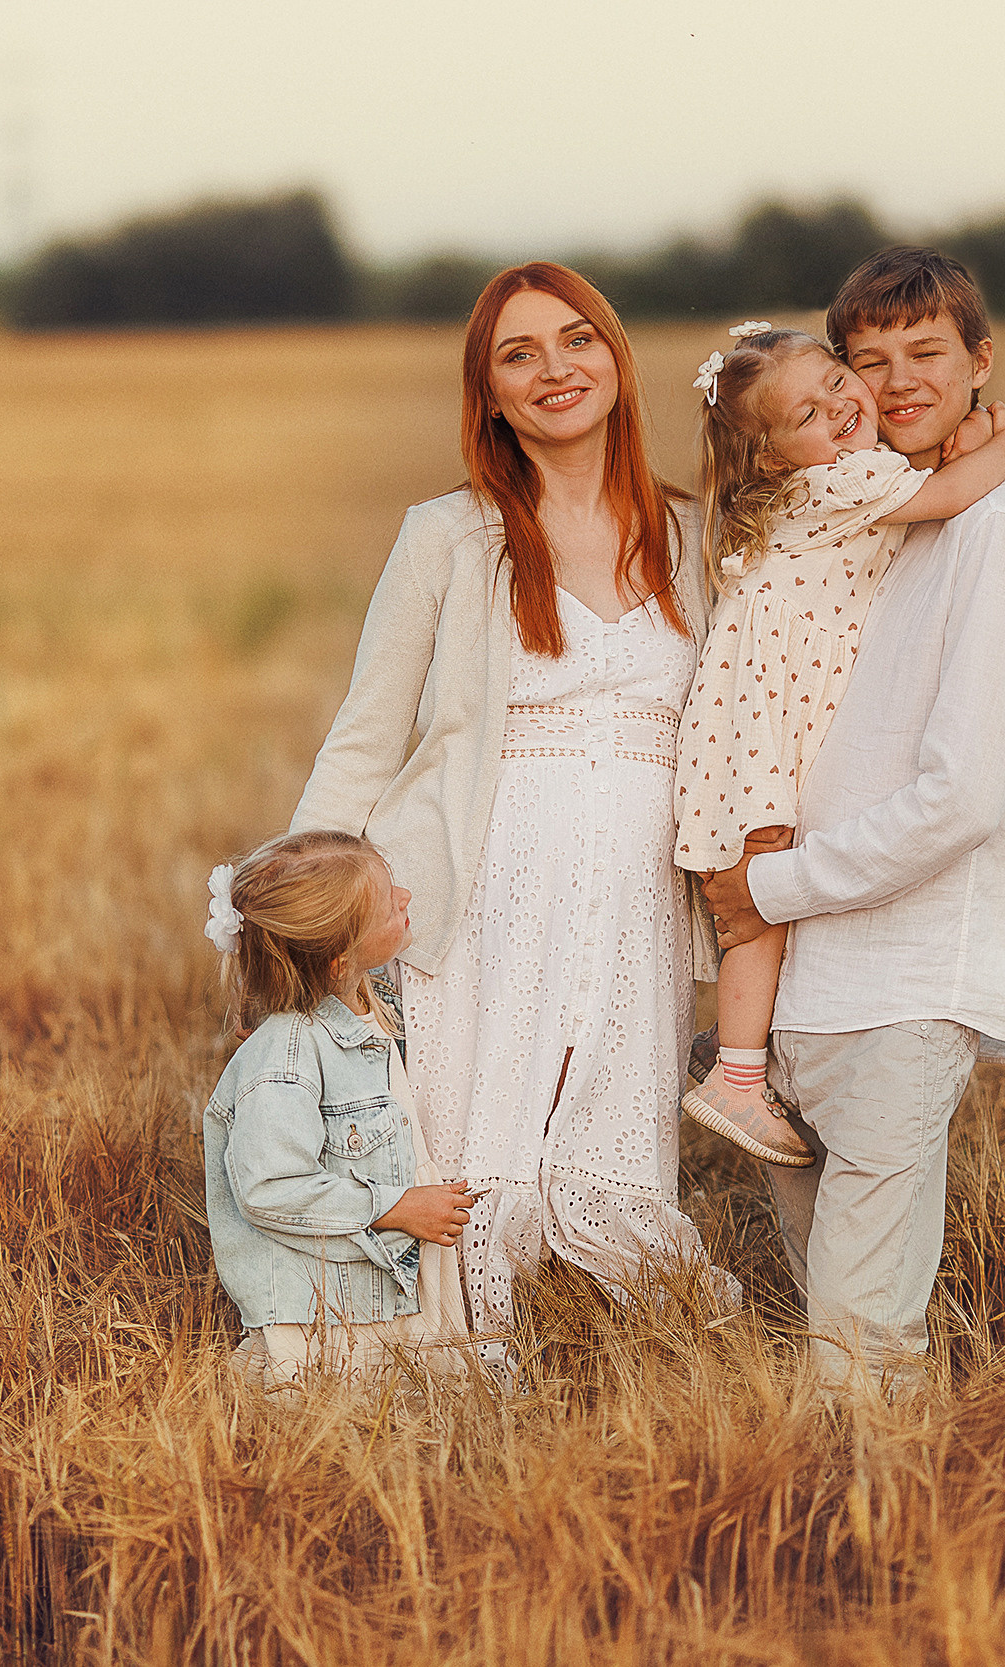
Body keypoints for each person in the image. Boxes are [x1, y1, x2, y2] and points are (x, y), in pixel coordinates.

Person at [290, 262, 737, 1351]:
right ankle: (453, 1336)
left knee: (610, 1133)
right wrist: (294, 905)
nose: (555, 370)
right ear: (487, 395)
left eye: (577, 340)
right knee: (468, 1137)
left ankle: (600, 1333)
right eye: (518, 355)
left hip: (635, 890)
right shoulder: (448, 533)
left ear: (616, 359)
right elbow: (368, 727)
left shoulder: (693, 534)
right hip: (483, 878)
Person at [700, 248, 1005, 1396]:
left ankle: (881, 1551)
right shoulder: (876, 516)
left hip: (901, 987)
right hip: (809, 988)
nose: (896, 381)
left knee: (859, 1336)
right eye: (870, 359)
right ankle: (845, 1544)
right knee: (833, 1311)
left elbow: (961, 797)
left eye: (926, 353)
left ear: (980, 363)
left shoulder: (995, 540)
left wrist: (769, 891)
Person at [672, 322, 1005, 1167]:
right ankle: (739, 1076)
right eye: (808, 414)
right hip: (769, 717)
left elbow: (923, 476)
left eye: (837, 383)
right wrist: (1002, 437)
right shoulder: (844, 482)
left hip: (753, 705)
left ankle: (740, 1043)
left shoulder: (820, 482)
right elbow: (946, 493)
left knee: (758, 883)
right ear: (771, 457)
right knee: (760, 881)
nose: (841, 408)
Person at [199, 830, 476, 1387]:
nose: (405, 896)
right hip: (327, 1309)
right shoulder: (286, 1055)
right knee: (342, 1419)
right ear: (338, 957)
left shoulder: (370, 1003)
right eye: (385, 901)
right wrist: (394, 1209)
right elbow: (269, 1188)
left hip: (375, 1287)